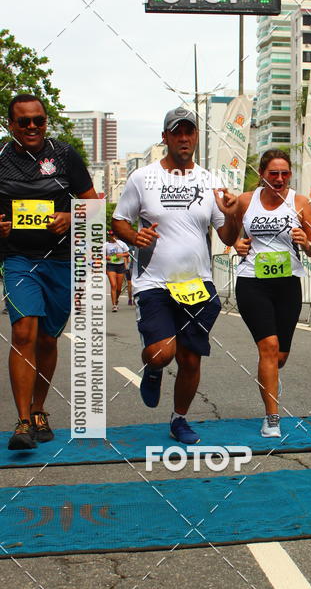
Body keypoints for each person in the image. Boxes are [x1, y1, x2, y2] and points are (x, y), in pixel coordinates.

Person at [112, 107, 240, 445]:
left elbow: (226, 236)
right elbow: (119, 220)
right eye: (177, 132)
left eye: (190, 132)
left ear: (196, 137)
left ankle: (179, 419)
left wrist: (234, 214)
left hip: (196, 283)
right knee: (162, 353)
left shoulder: (209, 180)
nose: (184, 138)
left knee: (190, 357)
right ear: (166, 137)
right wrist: (132, 237)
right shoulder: (143, 178)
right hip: (153, 281)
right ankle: (153, 370)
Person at [0, 94, 97, 450]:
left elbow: (94, 205)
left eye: (38, 120)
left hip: (61, 260)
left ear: (45, 122)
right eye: (23, 121)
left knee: (47, 338)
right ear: (11, 125)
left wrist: (72, 217)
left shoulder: (64, 155)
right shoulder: (1, 158)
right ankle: (23, 421)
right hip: (18, 259)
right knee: (24, 331)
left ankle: (39, 409)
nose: (31, 127)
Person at [233, 149, 311, 437]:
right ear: (262, 174)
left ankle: (269, 379)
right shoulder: (246, 201)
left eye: (285, 173)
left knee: (279, 356)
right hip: (252, 282)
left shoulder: (300, 203)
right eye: (274, 173)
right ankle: (272, 418)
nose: (280, 179)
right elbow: (231, 234)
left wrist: (306, 242)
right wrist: (237, 244)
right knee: (268, 347)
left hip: (287, 284)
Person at [104, 229, 129, 311]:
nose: (113, 237)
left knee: (118, 288)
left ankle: (116, 299)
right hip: (111, 266)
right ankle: (114, 305)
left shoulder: (121, 243)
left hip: (120, 266)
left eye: (114, 235)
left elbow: (128, 254)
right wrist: (106, 257)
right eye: (111, 235)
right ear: (109, 236)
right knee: (113, 285)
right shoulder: (106, 245)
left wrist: (121, 255)